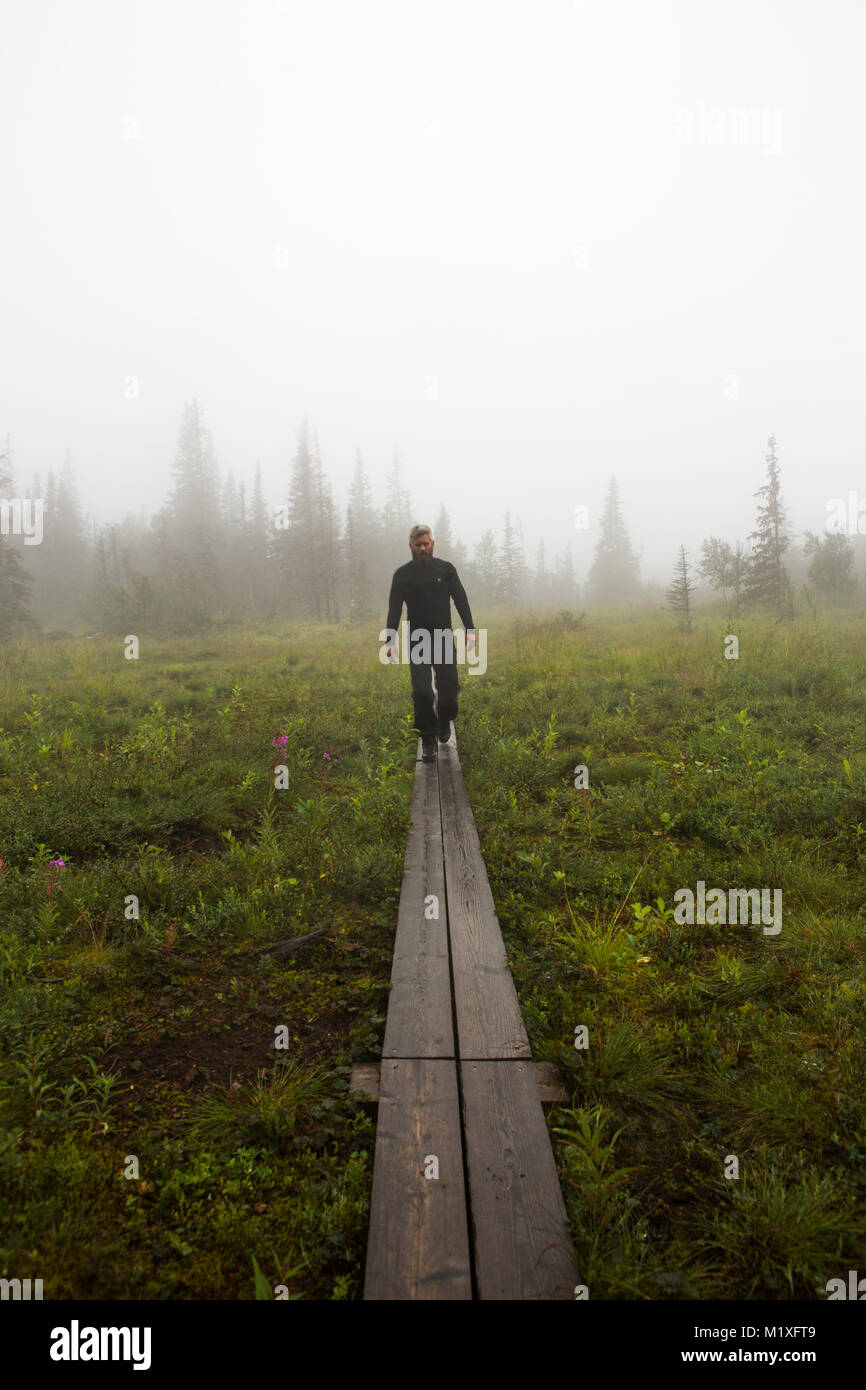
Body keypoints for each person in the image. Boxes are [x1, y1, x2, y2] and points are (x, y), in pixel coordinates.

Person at [384, 524, 475, 762]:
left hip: (443, 637)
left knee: (449, 691)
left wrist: (471, 630)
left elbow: (460, 599)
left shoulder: (446, 570)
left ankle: (444, 719)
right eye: (418, 545)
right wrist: (389, 639)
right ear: (411, 546)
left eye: (426, 544)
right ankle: (427, 737)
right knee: (422, 691)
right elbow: (394, 608)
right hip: (418, 640)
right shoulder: (402, 575)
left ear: (432, 543)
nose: (423, 548)